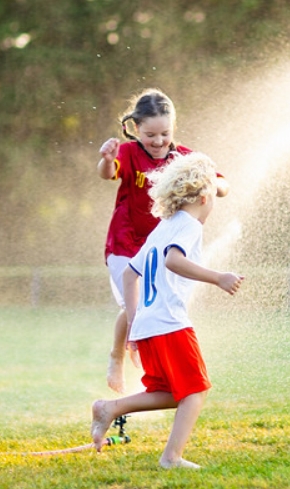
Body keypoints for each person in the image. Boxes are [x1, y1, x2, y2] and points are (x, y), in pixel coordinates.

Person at [91, 152, 244, 469]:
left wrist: (134, 325)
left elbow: (129, 275)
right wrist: (219, 278)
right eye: (213, 198)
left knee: (172, 392)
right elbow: (173, 260)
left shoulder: (163, 226)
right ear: (204, 196)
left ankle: (110, 408)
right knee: (196, 390)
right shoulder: (189, 225)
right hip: (170, 324)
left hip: (149, 325)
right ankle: (171, 457)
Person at [97, 88, 228, 393]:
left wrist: (214, 183)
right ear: (135, 129)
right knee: (137, 305)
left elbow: (222, 182)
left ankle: (152, 369)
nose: (157, 142)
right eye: (150, 134)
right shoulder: (128, 153)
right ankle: (118, 355)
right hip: (125, 243)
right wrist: (106, 159)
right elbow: (107, 174)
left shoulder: (184, 159)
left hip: (159, 244)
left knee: (152, 306)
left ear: (174, 129)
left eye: (164, 134)